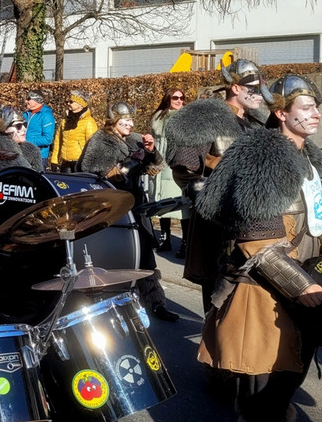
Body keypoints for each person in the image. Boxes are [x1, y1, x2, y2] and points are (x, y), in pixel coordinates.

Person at [195, 75, 322, 422]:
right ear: (281, 112)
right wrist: (302, 284)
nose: (316, 113)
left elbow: (306, 227)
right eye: (305, 107)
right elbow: (256, 241)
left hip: (297, 285)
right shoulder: (264, 156)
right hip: (261, 294)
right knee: (266, 389)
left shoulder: (305, 156)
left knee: (285, 382)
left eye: (317, 106)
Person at [164, 59, 265, 311]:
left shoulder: (256, 123)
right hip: (218, 230)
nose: (259, 93)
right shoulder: (208, 119)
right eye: (252, 88)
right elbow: (185, 171)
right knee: (218, 306)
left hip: (253, 228)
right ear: (235, 88)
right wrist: (216, 201)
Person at [78, 102, 179, 322]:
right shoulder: (100, 141)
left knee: (145, 256)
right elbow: (90, 172)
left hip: (136, 205)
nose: (130, 124)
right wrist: (130, 163)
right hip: (112, 209)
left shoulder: (134, 139)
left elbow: (155, 167)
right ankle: (115, 306)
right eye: (125, 121)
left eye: (131, 120)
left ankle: (156, 303)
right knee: (118, 257)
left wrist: (151, 151)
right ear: (114, 121)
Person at [148, 88, 187, 251]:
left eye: (181, 98)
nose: (179, 101)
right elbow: (153, 143)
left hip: (178, 165)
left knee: (183, 206)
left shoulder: (186, 118)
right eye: (175, 98)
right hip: (158, 165)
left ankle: (185, 243)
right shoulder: (157, 118)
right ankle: (165, 239)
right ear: (168, 99)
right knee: (163, 205)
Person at [50, 91, 98, 172]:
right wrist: (54, 160)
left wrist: (90, 165)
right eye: (68, 101)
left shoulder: (89, 122)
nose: (68, 103)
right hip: (65, 162)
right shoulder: (65, 120)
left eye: (71, 102)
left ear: (80, 104)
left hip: (80, 163)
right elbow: (58, 140)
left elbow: (93, 145)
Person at [23, 90, 55, 166]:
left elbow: (47, 139)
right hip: (24, 154)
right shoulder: (25, 114)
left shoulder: (46, 116)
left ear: (37, 100)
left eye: (28, 99)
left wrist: (26, 141)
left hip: (39, 156)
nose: (26, 101)